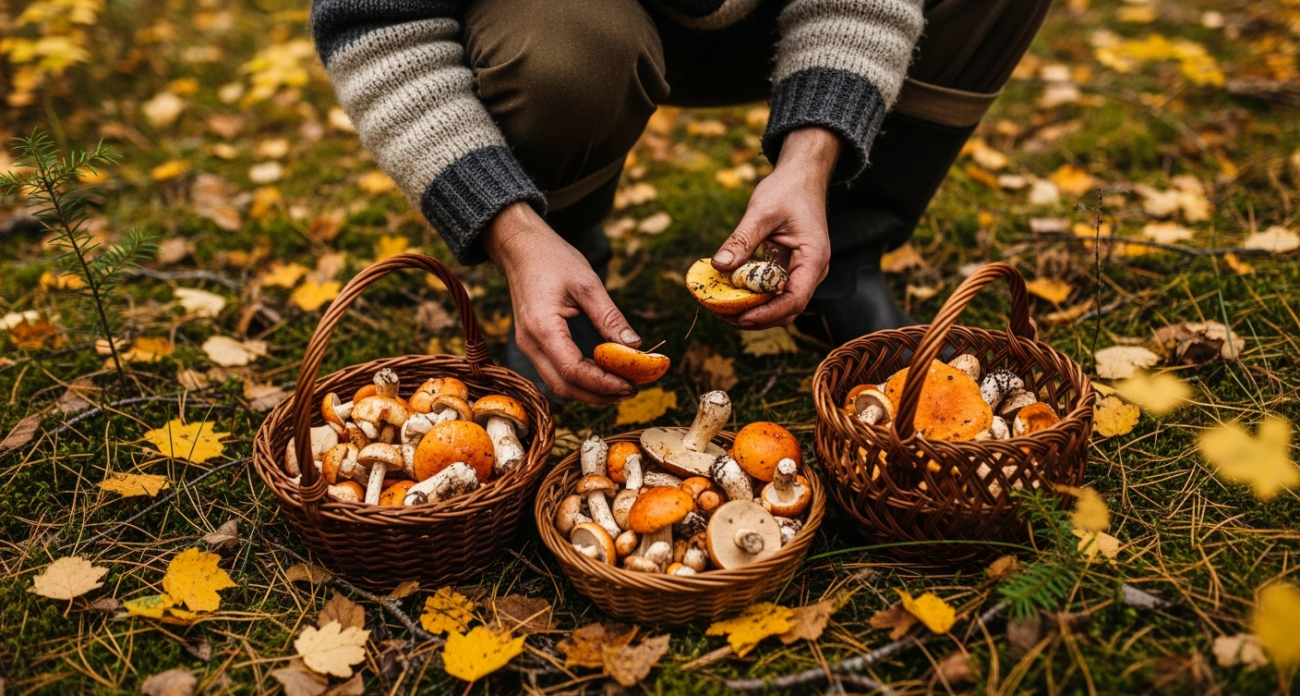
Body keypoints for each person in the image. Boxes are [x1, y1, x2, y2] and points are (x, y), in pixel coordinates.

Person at [311, 0, 1051, 404]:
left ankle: (843, 259)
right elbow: (379, 30)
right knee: (565, 56)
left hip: (768, 16)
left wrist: (811, 158)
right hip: (567, 19)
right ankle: (557, 267)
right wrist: (511, 232)